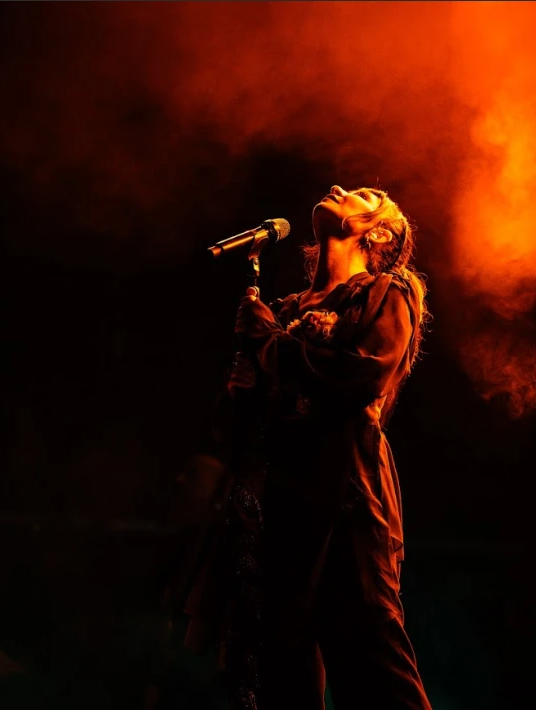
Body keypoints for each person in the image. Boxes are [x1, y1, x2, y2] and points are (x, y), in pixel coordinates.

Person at [177, 185, 433, 710]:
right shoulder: (284, 309)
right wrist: (241, 390)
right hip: (279, 509)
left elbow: (364, 374)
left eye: (363, 195)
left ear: (380, 233)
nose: (338, 189)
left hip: (345, 499)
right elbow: (236, 429)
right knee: (278, 679)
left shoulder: (385, 292)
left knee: (374, 669)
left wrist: (272, 346)